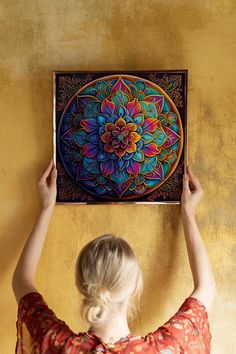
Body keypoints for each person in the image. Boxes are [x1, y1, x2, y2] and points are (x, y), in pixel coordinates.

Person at [12, 158, 216, 353]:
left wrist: (47, 207)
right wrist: (188, 212)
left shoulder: (57, 345)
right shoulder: (163, 349)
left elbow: (22, 280)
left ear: (82, 285)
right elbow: (206, 288)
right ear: (136, 286)